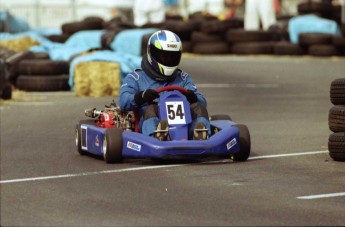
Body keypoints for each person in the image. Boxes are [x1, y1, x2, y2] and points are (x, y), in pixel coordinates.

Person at [119, 30, 210, 141]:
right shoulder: (136, 77)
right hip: (149, 120)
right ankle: (157, 135)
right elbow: (123, 101)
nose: (168, 60)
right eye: (164, 56)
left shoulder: (182, 78)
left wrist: (194, 98)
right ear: (151, 53)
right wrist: (141, 96)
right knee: (151, 108)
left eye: (173, 56)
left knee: (198, 107)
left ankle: (199, 134)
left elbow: (202, 101)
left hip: (185, 124)